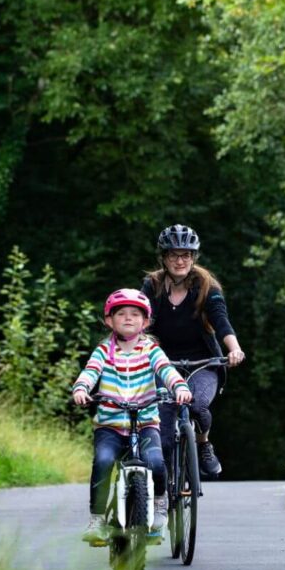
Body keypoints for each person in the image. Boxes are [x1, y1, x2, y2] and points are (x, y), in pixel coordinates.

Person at [72, 288, 192, 546]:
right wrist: (82, 389)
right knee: (103, 461)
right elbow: (90, 372)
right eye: (121, 314)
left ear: (145, 321)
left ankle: (160, 506)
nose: (128, 318)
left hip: (146, 423)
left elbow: (166, 370)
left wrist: (179, 387)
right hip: (110, 425)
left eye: (135, 314)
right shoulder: (104, 351)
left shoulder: (151, 350)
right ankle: (97, 520)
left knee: (157, 463)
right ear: (109, 320)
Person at [140, 224, 245, 478]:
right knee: (163, 429)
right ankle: (163, 491)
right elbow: (140, 322)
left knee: (197, 406)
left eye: (186, 255)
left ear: (193, 257)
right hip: (162, 364)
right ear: (163, 257)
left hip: (204, 362)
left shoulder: (206, 285)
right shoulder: (151, 286)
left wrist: (234, 349)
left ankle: (203, 444)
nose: (180, 261)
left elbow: (221, 321)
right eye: (174, 255)